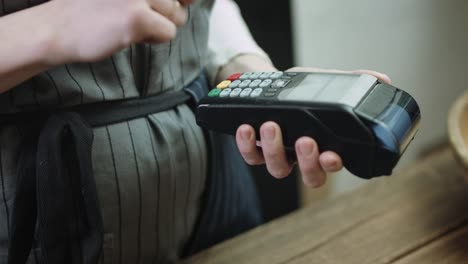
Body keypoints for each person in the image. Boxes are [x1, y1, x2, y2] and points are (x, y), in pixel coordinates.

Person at [0, 0, 391, 263]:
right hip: (34, 222)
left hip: (214, 198)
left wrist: (249, 71)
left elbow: (208, 9)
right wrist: (52, 25)